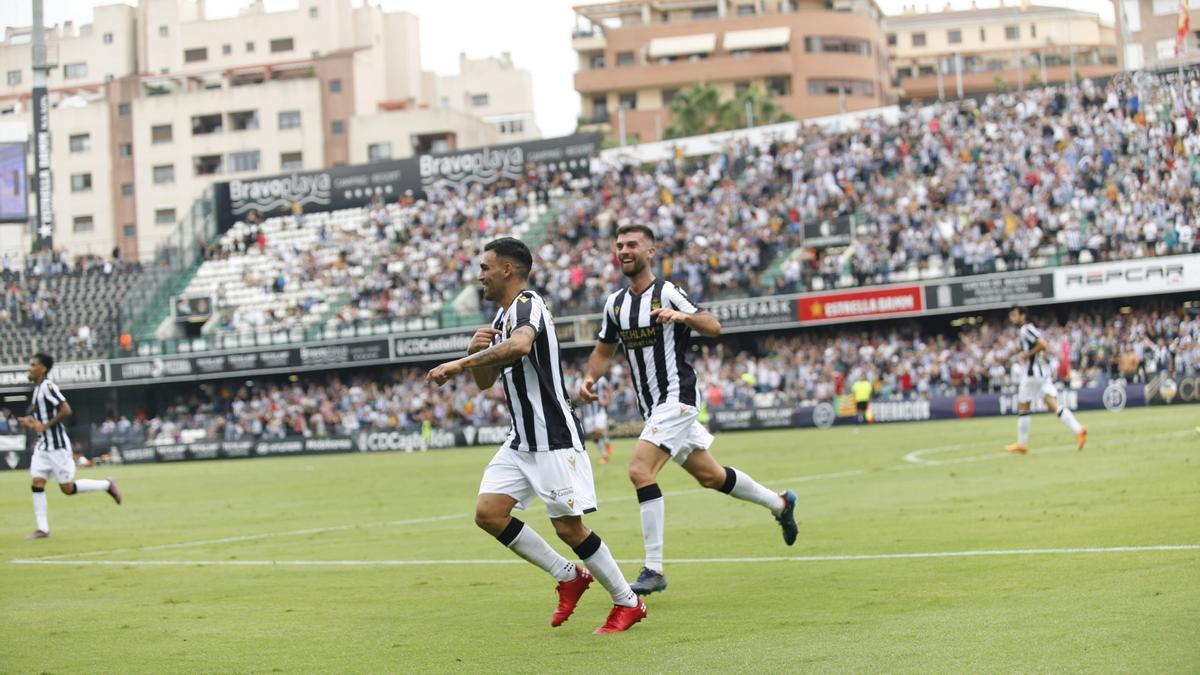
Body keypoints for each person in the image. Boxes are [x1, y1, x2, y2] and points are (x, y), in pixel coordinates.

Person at [426, 237, 646, 634]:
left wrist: (459, 363)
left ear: (507, 270)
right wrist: (474, 353)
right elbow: (485, 381)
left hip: (552, 436)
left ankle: (628, 602)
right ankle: (568, 576)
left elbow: (521, 345)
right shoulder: (499, 320)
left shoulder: (529, 304)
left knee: (569, 528)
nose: (480, 276)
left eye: (485, 268)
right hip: (520, 440)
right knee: (489, 514)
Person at [577, 224, 798, 596]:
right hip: (653, 407)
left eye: (632, 244)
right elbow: (604, 348)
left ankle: (654, 568)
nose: (624, 250)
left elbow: (713, 325)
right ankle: (780, 504)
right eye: (619, 246)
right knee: (710, 476)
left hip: (677, 398)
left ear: (651, 251)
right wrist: (589, 379)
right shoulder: (615, 304)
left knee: (639, 470)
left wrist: (684, 317)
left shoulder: (668, 292)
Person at [18, 353, 122, 540]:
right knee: (37, 482)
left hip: (57, 446)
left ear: (43, 369)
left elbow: (66, 409)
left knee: (67, 488)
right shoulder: (37, 390)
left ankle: (107, 485)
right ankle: (43, 529)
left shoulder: (48, 387)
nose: (29, 368)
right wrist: (31, 422)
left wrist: (45, 425)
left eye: (33, 365)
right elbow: (41, 417)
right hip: (43, 445)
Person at [1004, 306, 1087, 454]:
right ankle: (1078, 429)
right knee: (1053, 404)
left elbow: (1042, 344)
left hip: (1033, 374)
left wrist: (1027, 355)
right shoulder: (1028, 329)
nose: (1012, 318)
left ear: (1023, 315)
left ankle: (1022, 443)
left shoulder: (1026, 329)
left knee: (1023, 406)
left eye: (1015, 314)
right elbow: (1041, 346)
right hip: (1041, 373)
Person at [582, 376, 615, 464]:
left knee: (598, 431)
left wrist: (607, 400)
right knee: (595, 436)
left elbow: (609, 389)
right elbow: (579, 395)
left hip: (599, 410)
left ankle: (607, 444)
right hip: (588, 413)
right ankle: (604, 455)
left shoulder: (601, 379)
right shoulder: (580, 380)